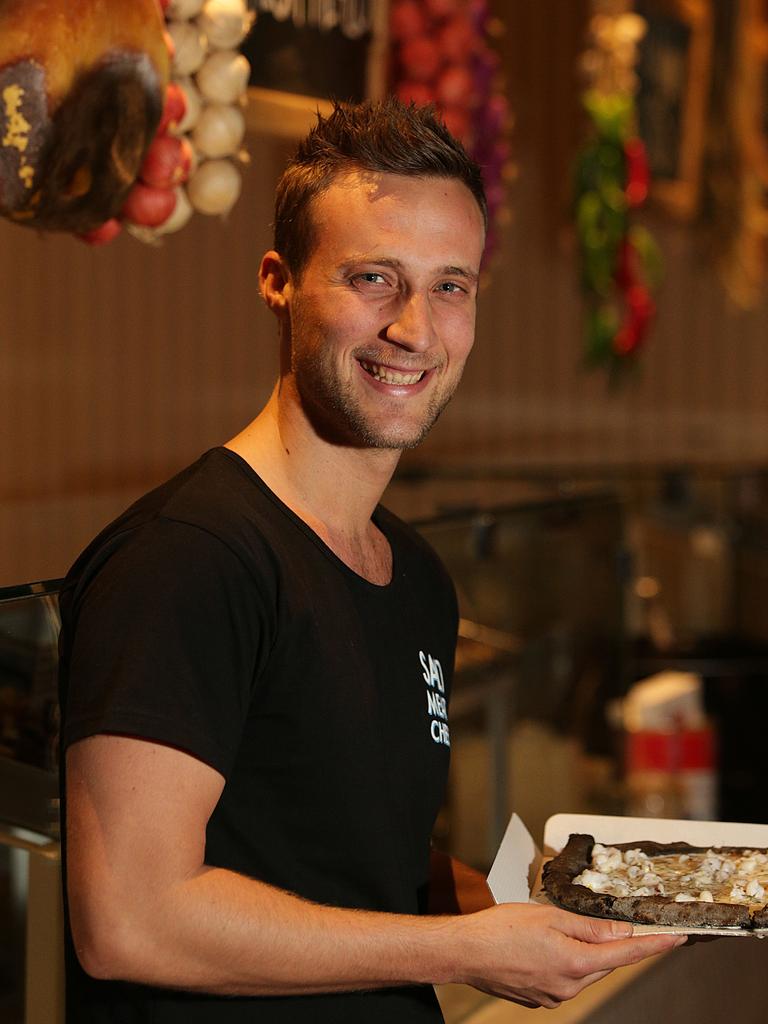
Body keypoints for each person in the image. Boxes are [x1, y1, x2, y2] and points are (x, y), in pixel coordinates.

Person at [58, 98, 684, 1023]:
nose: (414, 329)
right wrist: (462, 949)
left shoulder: (418, 578)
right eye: (374, 278)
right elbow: (130, 920)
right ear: (279, 281)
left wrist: (536, 908)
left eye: (450, 286)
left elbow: (346, 862)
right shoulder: (190, 559)